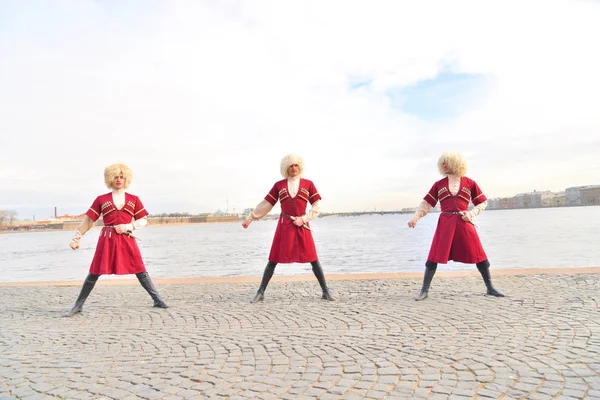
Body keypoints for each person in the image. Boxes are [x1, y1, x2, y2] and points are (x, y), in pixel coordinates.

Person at [65, 163, 168, 317]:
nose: (119, 180)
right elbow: (88, 220)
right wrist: (76, 238)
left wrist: (128, 226)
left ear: (126, 179)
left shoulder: (134, 199)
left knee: (140, 269)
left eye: (122, 177)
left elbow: (143, 220)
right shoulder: (101, 199)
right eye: (116, 177)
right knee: (94, 272)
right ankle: (78, 305)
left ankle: (157, 299)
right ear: (110, 179)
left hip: (127, 238)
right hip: (107, 239)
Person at [408, 151, 504, 300]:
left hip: (464, 222)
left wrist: (471, 214)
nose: (444, 165)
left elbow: (483, 202)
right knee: (433, 256)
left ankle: (490, 287)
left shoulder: (470, 183)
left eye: (447, 162)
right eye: (443, 162)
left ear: (456, 163)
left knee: (479, 254)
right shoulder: (438, 185)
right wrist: (415, 218)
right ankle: (424, 290)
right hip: (445, 224)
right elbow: (426, 204)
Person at [242, 153, 334, 303]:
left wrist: (304, 218)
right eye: (291, 165)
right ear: (286, 168)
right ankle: (260, 292)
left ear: (300, 167)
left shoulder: (308, 184)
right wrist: (250, 218)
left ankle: (325, 291)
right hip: (284, 226)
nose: (294, 168)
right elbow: (266, 204)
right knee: (273, 259)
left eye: (296, 165)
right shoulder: (279, 185)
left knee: (313, 258)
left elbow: (317, 206)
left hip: (302, 225)